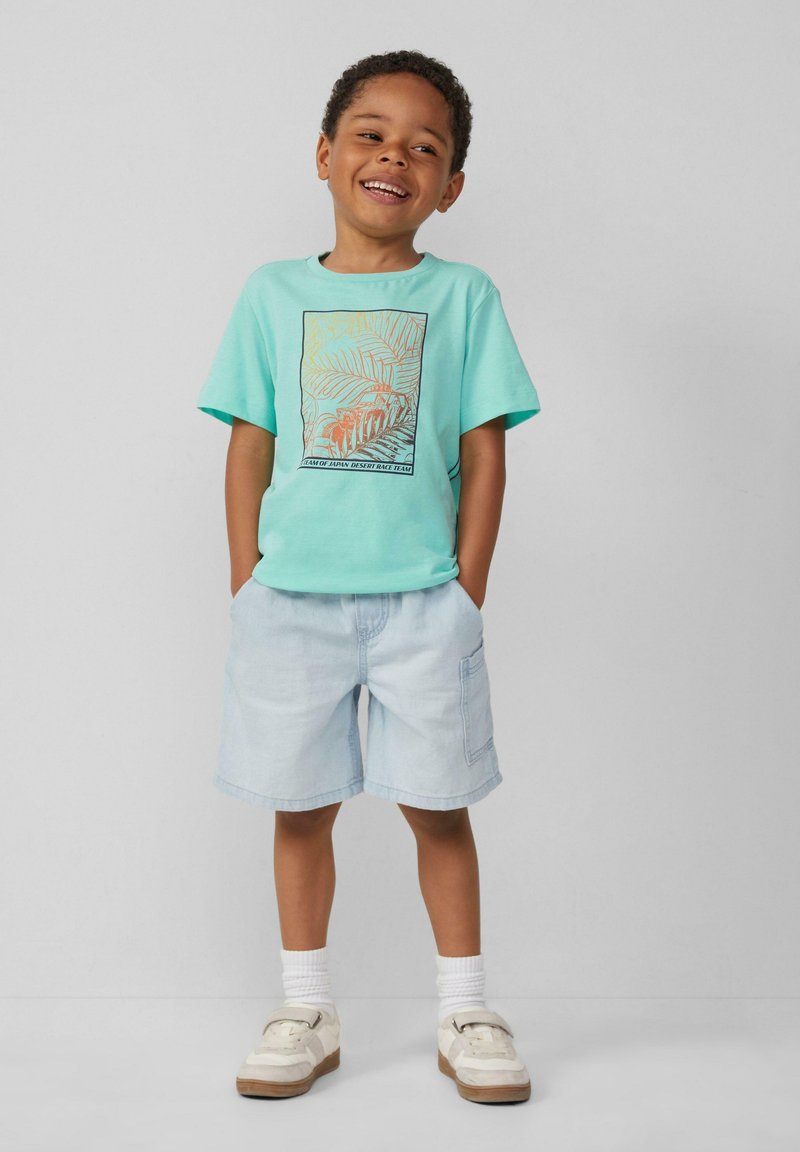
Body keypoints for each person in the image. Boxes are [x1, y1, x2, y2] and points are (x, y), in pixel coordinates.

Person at [197, 49, 541, 1106]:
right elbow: (249, 442)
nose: (395, 156)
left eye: (424, 147)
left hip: (422, 604)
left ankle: (465, 1009)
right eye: (371, 135)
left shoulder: (464, 296)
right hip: (289, 604)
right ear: (324, 154)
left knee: (438, 806)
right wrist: (247, 578)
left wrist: (465, 588)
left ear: (451, 186)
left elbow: (483, 447)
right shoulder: (272, 293)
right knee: (300, 806)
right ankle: (305, 1005)